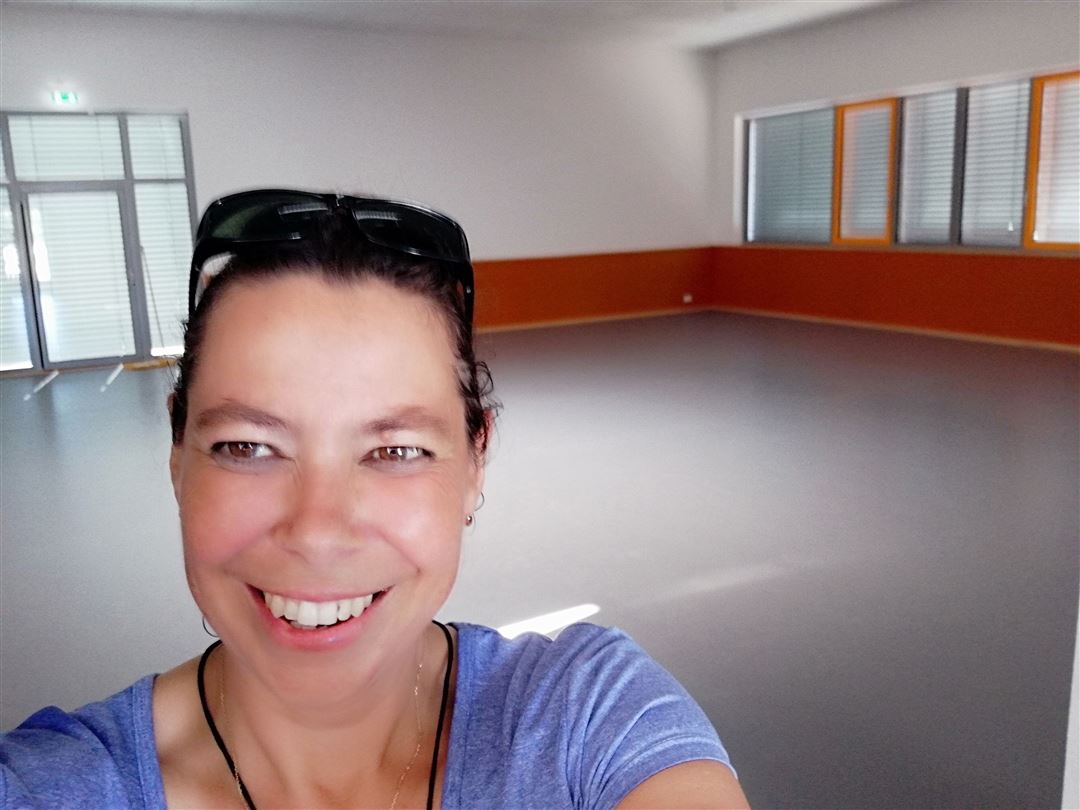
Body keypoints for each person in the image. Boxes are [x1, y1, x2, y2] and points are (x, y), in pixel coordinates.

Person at [1, 190, 748, 809]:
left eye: (395, 451)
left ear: (475, 462)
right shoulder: (54, 784)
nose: (318, 531)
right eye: (248, 446)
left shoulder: (587, 717)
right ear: (177, 456)